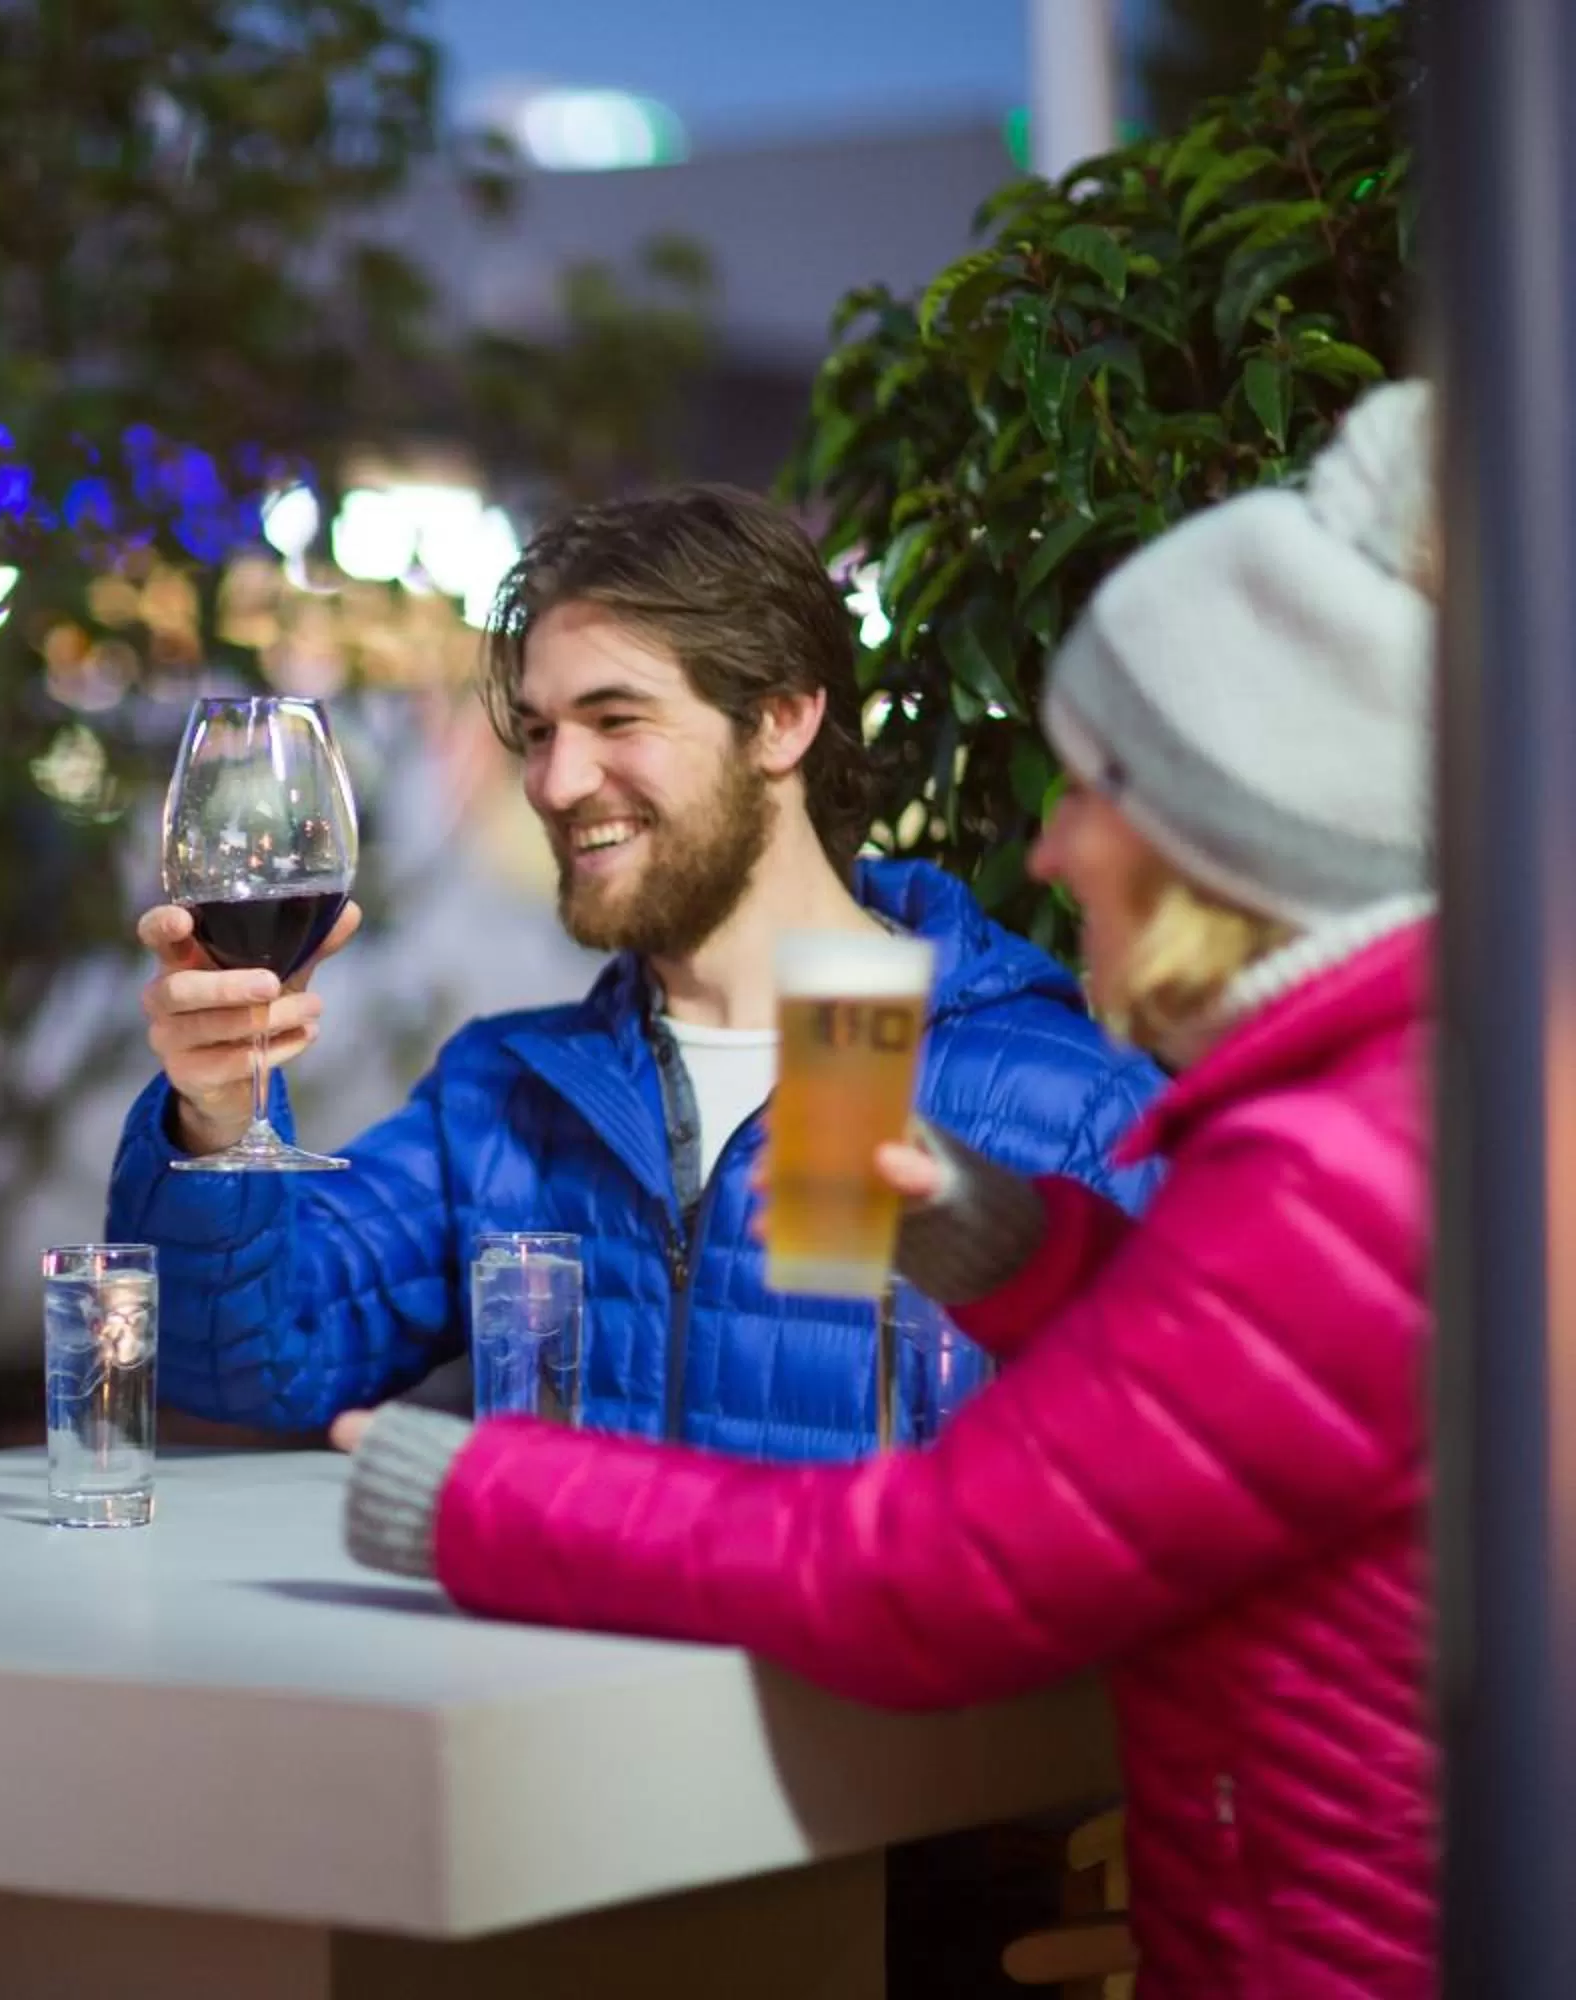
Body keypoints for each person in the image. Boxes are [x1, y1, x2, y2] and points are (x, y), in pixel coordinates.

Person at [341, 383, 1440, 1996]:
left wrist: (476, 1498)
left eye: (1092, 792)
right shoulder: (1378, 1104)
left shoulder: (1323, 1169)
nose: (1051, 852)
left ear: (1221, 830)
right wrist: (1006, 1248)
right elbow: (1241, 1389)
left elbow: (924, 1575)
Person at [110, 484, 1161, 1458]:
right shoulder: (510, 1099)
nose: (559, 781)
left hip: (859, 1664)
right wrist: (214, 1111)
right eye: (537, 731)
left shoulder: (1064, 1102)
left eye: (617, 719)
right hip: (561, 1667)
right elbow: (239, 1361)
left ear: (782, 719)